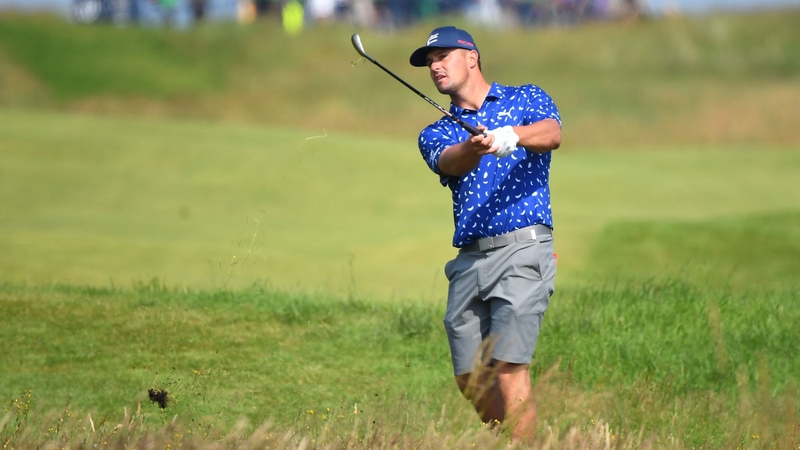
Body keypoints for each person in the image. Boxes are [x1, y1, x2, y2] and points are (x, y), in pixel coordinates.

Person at [410, 26, 561, 441]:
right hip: (470, 259)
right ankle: (514, 442)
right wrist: (475, 147)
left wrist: (513, 135)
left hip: (523, 247)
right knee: (470, 377)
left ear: (471, 57)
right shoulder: (437, 131)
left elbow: (552, 133)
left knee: (509, 368)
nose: (434, 66)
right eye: (430, 62)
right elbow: (449, 162)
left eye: (442, 56)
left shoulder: (525, 98)